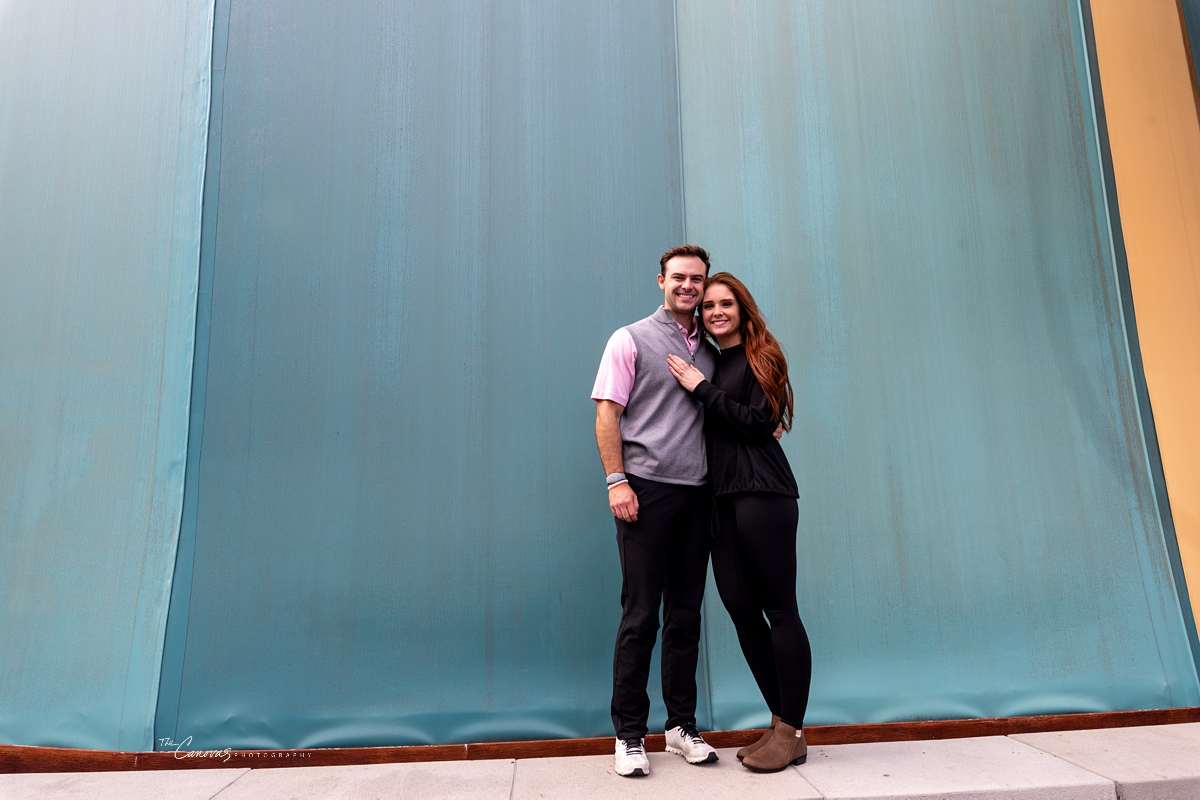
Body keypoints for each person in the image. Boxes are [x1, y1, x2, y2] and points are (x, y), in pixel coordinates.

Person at [666, 272, 812, 773]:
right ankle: (780, 723)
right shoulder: (710, 360)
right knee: (740, 610)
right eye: (707, 307)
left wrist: (701, 390)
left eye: (725, 303)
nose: (715, 312)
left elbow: (757, 422)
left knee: (779, 610)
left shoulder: (760, 356)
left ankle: (792, 729)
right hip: (721, 502)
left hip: (763, 495)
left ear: (742, 309)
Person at [591, 245, 720, 777]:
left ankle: (680, 727)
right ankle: (628, 735)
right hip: (645, 491)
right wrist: (616, 480)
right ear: (661, 281)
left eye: (697, 279)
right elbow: (608, 412)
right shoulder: (631, 338)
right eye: (680, 278)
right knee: (642, 614)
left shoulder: (712, 350)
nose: (688, 286)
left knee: (686, 617)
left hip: (699, 495)